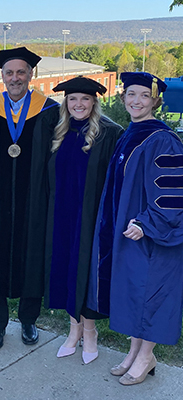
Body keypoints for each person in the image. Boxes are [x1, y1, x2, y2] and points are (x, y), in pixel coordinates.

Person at [87, 72, 183, 385]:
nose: (136, 101)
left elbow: (172, 192)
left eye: (144, 95)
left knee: (150, 294)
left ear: (156, 100)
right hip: (127, 232)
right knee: (134, 292)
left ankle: (146, 355)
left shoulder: (163, 138)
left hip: (151, 235)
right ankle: (134, 352)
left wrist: (147, 222)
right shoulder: (132, 132)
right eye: (130, 94)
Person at [0, 47, 60, 350]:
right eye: (9, 73)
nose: (15, 78)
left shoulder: (49, 111)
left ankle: (28, 319)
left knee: (31, 257)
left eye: (21, 72)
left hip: (34, 202)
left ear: (31, 75)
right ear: (2, 76)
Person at [43, 76, 123, 364]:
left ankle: (90, 332)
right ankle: (72, 330)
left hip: (91, 216)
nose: (79, 104)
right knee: (65, 267)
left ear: (94, 102)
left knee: (86, 271)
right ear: (66, 102)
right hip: (61, 213)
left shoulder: (110, 133)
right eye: (73, 99)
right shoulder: (59, 130)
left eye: (85, 99)